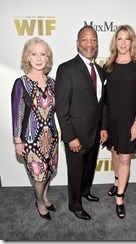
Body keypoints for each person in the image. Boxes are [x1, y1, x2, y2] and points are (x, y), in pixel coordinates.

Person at [55, 26, 108, 220]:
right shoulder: (66, 69)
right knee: (76, 172)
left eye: (93, 39)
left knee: (89, 169)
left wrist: (103, 127)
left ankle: (85, 191)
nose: (89, 44)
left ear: (97, 44)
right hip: (76, 135)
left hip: (95, 133)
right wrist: (70, 137)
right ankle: (74, 204)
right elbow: (61, 108)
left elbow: (102, 104)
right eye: (85, 40)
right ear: (77, 43)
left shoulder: (101, 72)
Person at [104, 25, 136, 219]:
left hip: (129, 121)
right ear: (115, 42)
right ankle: (116, 181)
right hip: (112, 119)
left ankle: (120, 199)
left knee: (125, 158)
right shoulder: (109, 66)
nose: (123, 42)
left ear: (132, 42)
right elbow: (104, 100)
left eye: (126, 39)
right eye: (119, 38)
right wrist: (104, 126)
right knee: (115, 153)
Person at [11, 37, 58, 221]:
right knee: (39, 177)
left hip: (51, 137)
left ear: (48, 58)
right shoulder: (21, 83)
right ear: (27, 57)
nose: (39, 58)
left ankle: (45, 197)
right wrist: (17, 140)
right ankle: (39, 201)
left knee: (49, 172)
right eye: (34, 54)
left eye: (43, 54)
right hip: (31, 140)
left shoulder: (53, 83)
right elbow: (17, 113)